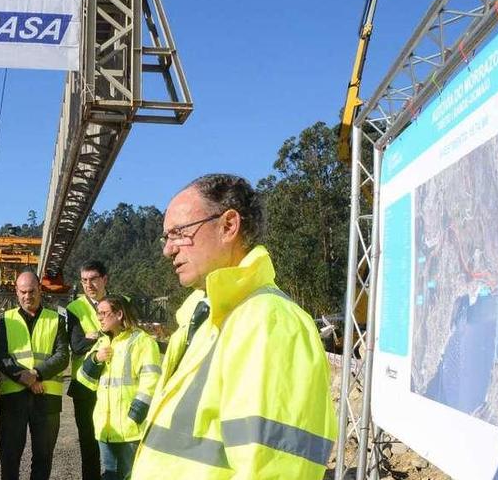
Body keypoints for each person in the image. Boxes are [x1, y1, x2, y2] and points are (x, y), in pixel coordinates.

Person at [131, 174, 338, 479]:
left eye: (178, 233)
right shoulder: (202, 320)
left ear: (228, 226)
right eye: (166, 237)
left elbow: (274, 470)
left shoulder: (269, 321)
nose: (168, 249)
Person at [0, 271, 69, 480]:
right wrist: (21, 377)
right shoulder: (6, 320)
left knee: (43, 459)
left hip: (46, 399)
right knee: (9, 459)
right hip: (13, 400)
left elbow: (62, 356)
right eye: (23, 292)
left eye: (32, 291)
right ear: (16, 292)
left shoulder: (56, 319)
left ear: (40, 290)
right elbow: (0, 355)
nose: (28, 296)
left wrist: (36, 374)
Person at [75, 296, 161, 480]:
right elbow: (82, 378)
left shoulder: (143, 342)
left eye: (104, 313)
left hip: (130, 429)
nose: (99, 318)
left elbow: (151, 381)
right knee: (109, 475)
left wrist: (136, 415)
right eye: (98, 313)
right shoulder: (101, 343)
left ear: (119, 314)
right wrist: (95, 360)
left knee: (131, 475)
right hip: (106, 428)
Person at [65, 260, 110, 480]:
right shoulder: (75, 308)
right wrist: (102, 336)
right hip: (84, 386)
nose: (88, 284)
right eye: (84, 280)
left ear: (104, 279)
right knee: (88, 442)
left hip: (113, 383)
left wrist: (93, 335)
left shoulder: (121, 303)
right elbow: (77, 345)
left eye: (93, 279)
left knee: (116, 441)